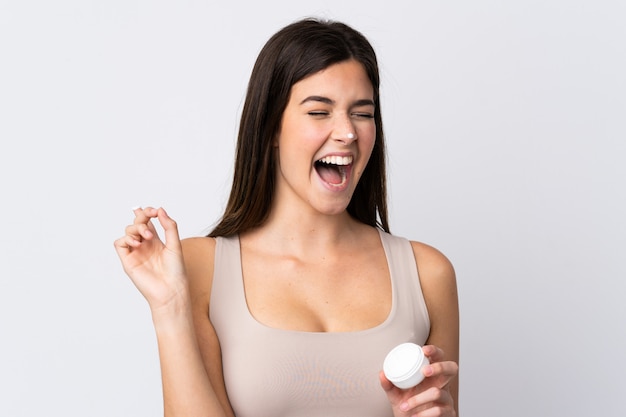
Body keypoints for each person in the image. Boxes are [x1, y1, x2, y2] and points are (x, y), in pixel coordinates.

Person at [114, 18, 459, 417]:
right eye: (319, 112)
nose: (347, 132)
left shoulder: (428, 274)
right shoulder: (198, 268)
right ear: (271, 126)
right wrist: (169, 307)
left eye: (362, 114)